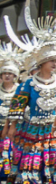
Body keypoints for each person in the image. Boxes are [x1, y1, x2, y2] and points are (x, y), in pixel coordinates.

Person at [4, 0, 56, 184]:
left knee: (53, 164)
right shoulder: (28, 83)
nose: (55, 64)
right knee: (30, 165)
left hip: (53, 130)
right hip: (32, 129)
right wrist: (13, 126)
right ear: (41, 63)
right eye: (52, 61)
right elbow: (18, 105)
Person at [0, 44, 21, 183]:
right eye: (5, 73)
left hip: (15, 129)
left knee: (13, 154)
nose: (7, 76)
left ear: (15, 75)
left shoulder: (20, 90)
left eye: (10, 73)